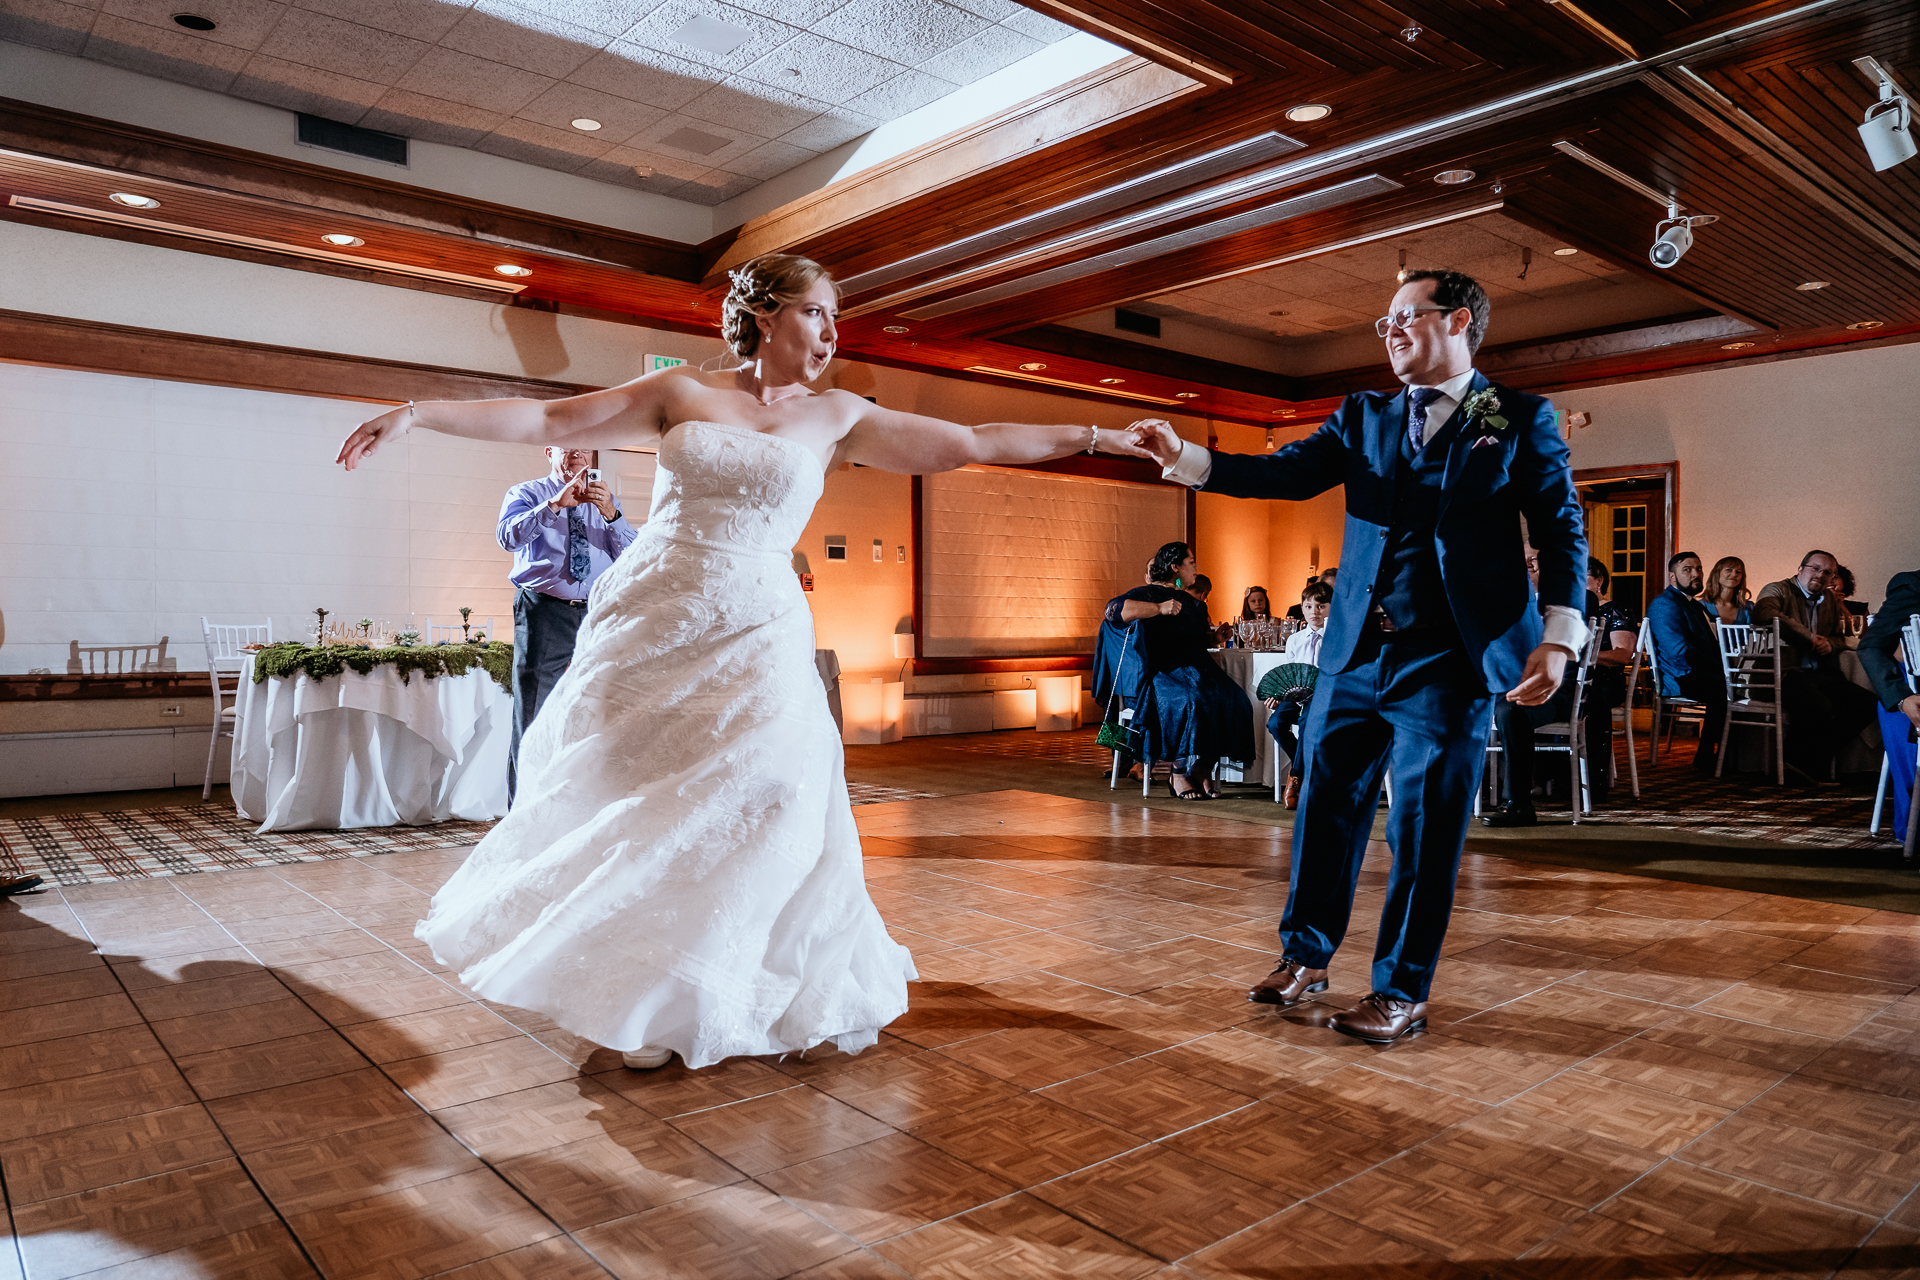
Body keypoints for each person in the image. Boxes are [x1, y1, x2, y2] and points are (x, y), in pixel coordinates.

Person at [335, 253, 1151, 1072]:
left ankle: (757, 983)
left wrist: (1099, 434)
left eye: (836, 319)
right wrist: (418, 414)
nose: (831, 333)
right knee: (649, 802)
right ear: (767, 315)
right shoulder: (684, 393)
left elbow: (973, 440)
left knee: (774, 795)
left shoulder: (839, 416)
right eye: (816, 314)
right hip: (655, 618)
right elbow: (551, 424)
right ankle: (646, 1003)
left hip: (759, 625)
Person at [1127, 268, 1587, 1045]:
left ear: (1461, 320)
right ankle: (1304, 956)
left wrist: (1560, 635)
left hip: (1450, 662)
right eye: (1385, 322)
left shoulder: (1516, 417)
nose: (1391, 331)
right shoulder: (1365, 414)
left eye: (1407, 316)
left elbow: (1561, 527)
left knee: (1423, 825)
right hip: (1352, 655)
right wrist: (1187, 458)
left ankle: (1401, 991)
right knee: (1324, 809)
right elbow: (1278, 475)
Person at [498, 446, 638, 802]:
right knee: (533, 714)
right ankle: (521, 815)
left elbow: (633, 556)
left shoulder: (605, 498)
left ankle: (576, 809)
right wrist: (555, 505)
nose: (577, 452)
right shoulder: (526, 493)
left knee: (595, 713)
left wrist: (612, 514)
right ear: (549, 451)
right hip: (545, 612)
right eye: (567, 445)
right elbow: (508, 538)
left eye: (585, 446)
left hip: (597, 615)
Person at [1104, 543, 1255, 800]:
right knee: (1191, 700)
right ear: (1175, 567)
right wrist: (1158, 608)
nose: (1196, 567)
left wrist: (1214, 636)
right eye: (1191, 562)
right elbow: (1112, 611)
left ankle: (1202, 768)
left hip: (1199, 669)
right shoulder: (1149, 594)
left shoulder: (1193, 603)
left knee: (1236, 700)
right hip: (1165, 672)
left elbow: (1195, 638)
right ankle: (1178, 773)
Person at [1755, 551, 1880, 781]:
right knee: (1820, 707)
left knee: (1868, 704)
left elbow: (1837, 637)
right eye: (1815, 568)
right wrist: (1808, 637)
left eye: (1828, 572)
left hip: (1818, 673)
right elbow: (1764, 613)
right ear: (1800, 569)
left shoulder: (1829, 600)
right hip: (1782, 672)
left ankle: (1803, 761)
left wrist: (1830, 645)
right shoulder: (1777, 589)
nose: (1820, 575)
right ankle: (1800, 765)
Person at [1646, 551, 1727, 773]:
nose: (1696, 574)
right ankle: (1706, 755)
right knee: (1724, 687)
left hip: (1696, 671)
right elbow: (1678, 650)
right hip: (1678, 675)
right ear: (1672, 577)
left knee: (1740, 685)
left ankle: (1730, 755)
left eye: (1698, 568)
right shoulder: (1664, 604)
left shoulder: (1696, 605)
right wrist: (1721, 668)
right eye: (1687, 570)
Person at [1266, 580, 1331, 808]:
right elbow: (1291, 672)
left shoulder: (1335, 636)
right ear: (1302, 608)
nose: (1315, 612)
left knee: (1306, 722)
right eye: (1309, 606)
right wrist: (1281, 694)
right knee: (1275, 723)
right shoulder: (1295, 639)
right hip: (1298, 692)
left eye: (1321, 606)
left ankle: (1295, 778)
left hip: (1324, 693)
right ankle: (1303, 766)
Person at [1701, 556, 1753, 626]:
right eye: (1729, 570)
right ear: (1717, 574)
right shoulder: (1701, 606)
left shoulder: (1749, 607)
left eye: (1738, 572)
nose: (1734, 574)